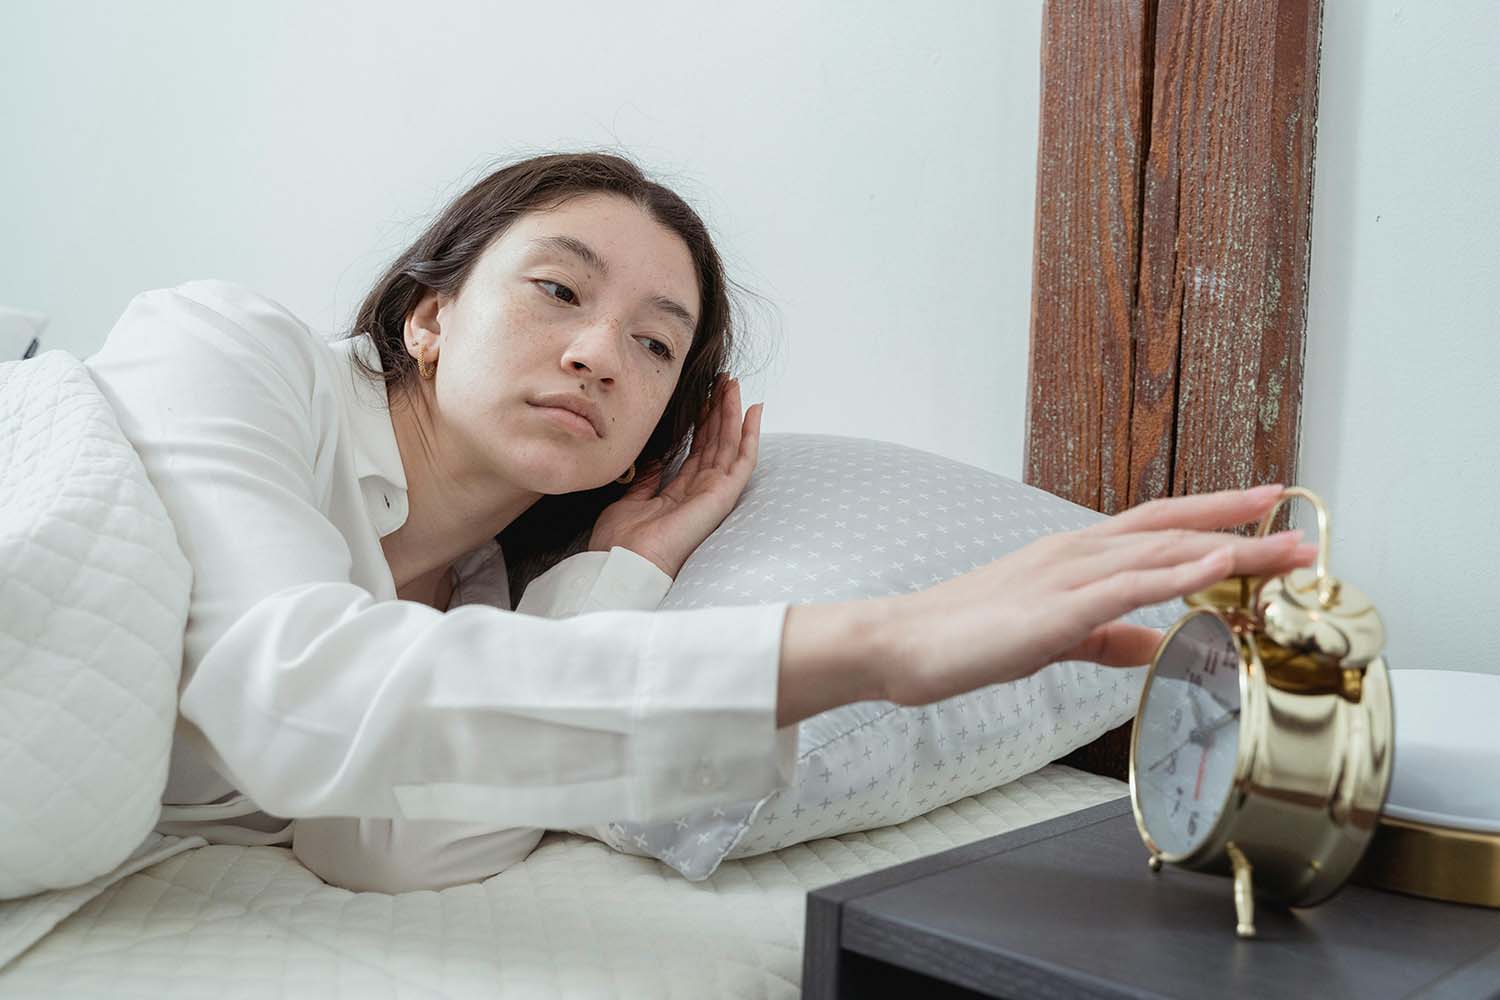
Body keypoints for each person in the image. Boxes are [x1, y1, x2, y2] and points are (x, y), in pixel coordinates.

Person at [84, 152, 1317, 893]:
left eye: (656, 343)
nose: (596, 352)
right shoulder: (224, 349)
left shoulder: (483, 601)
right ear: (428, 314)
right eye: (558, 288)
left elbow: (386, 854)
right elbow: (295, 691)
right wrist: (876, 642)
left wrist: (620, 573)